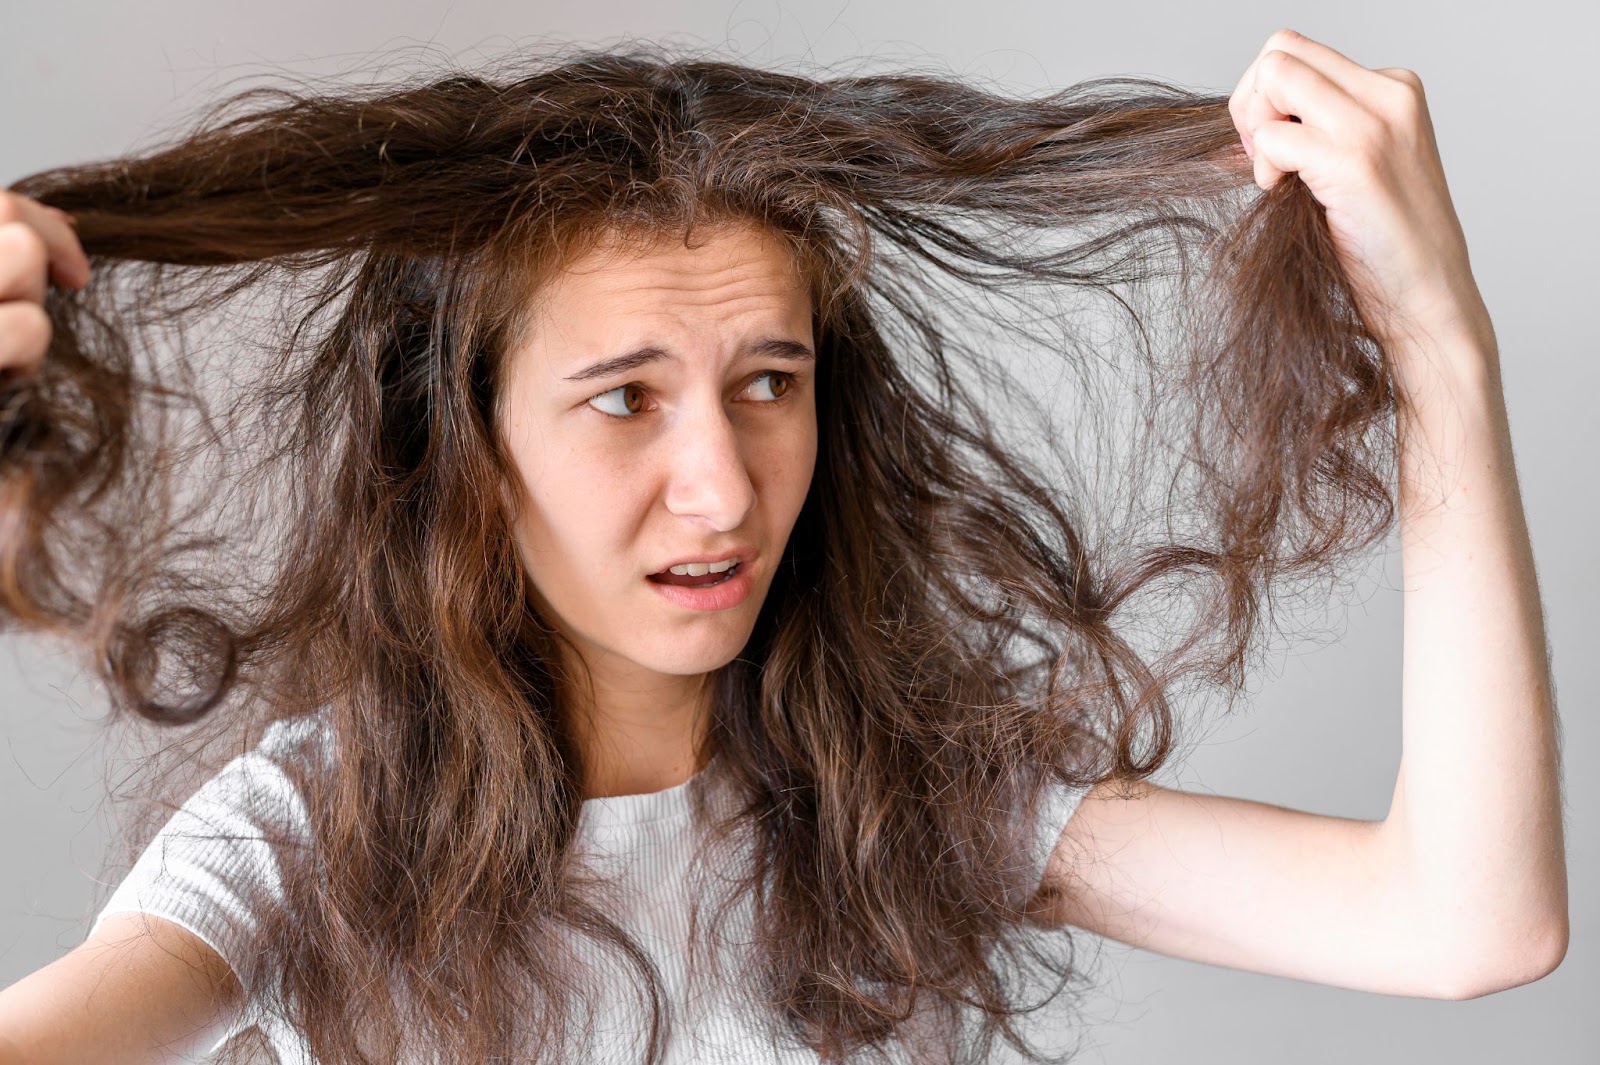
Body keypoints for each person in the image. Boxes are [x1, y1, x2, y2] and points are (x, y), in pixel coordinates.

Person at [0, 28, 1567, 1064]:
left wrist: (1440, 347)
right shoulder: (300, 844)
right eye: (624, 400)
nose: (725, 489)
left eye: (770, 384)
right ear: (465, 458)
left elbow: (1461, 920)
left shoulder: (910, 800)